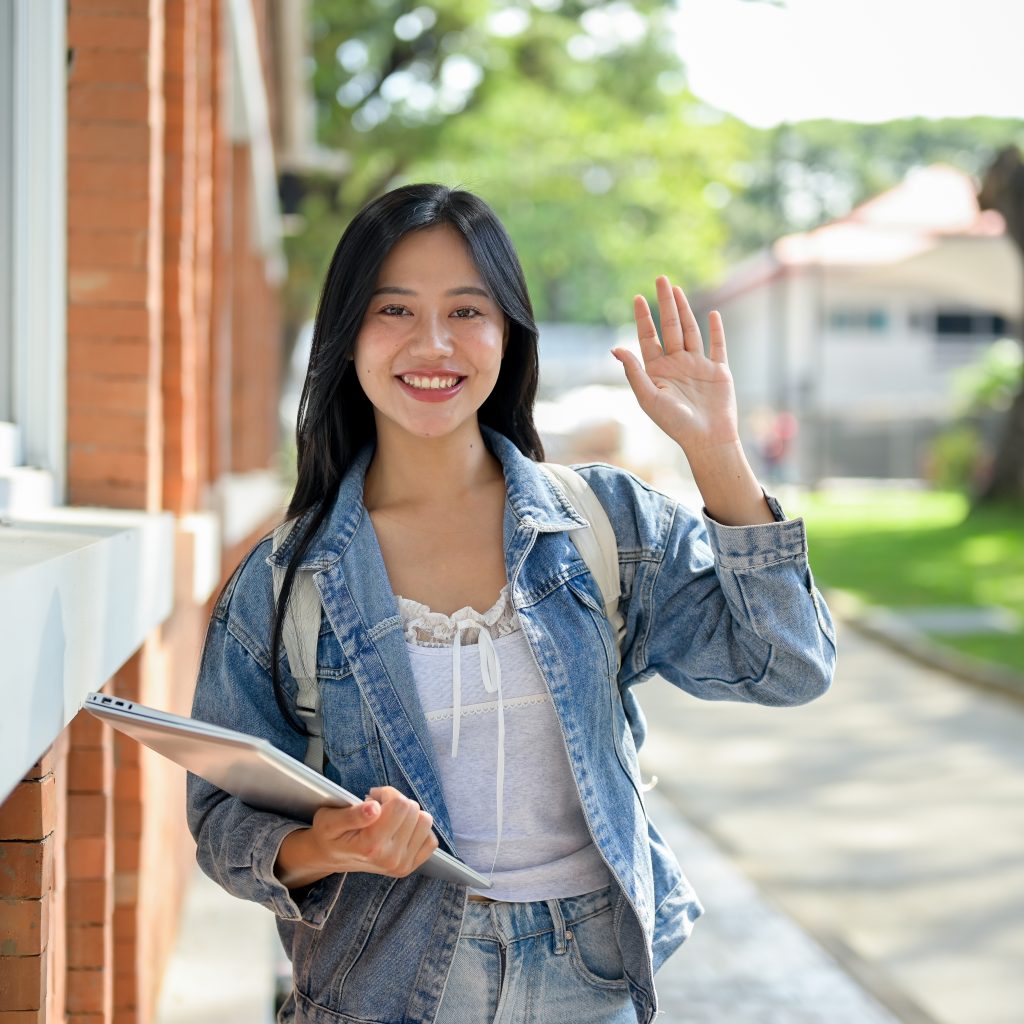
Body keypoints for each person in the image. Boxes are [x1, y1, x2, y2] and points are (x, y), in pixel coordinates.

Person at [187, 183, 836, 1024]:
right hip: (385, 988)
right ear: (348, 334)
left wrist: (716, 453)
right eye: (395, 310)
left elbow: (786, 668)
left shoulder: (605, 525)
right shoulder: (286, 579)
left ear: (507, 333)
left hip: (590, 982)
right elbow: (220, 823)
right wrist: (325, 846)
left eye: (467, 311)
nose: (433, 344)